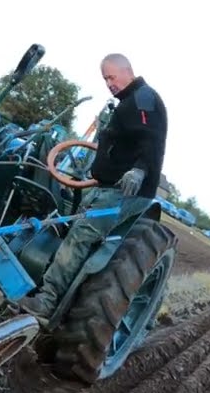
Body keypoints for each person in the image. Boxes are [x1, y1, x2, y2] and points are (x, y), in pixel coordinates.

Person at [17, 53, 168, 323]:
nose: (109, 83)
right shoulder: (127, 104)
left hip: (127, 192)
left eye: (112, 77)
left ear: (127, 71)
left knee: (81, 235)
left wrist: (140, 170)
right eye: (105, 79)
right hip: (106, 187)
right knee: (62, 216)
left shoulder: (143, 99)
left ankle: (47, 300)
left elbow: (152, 140)